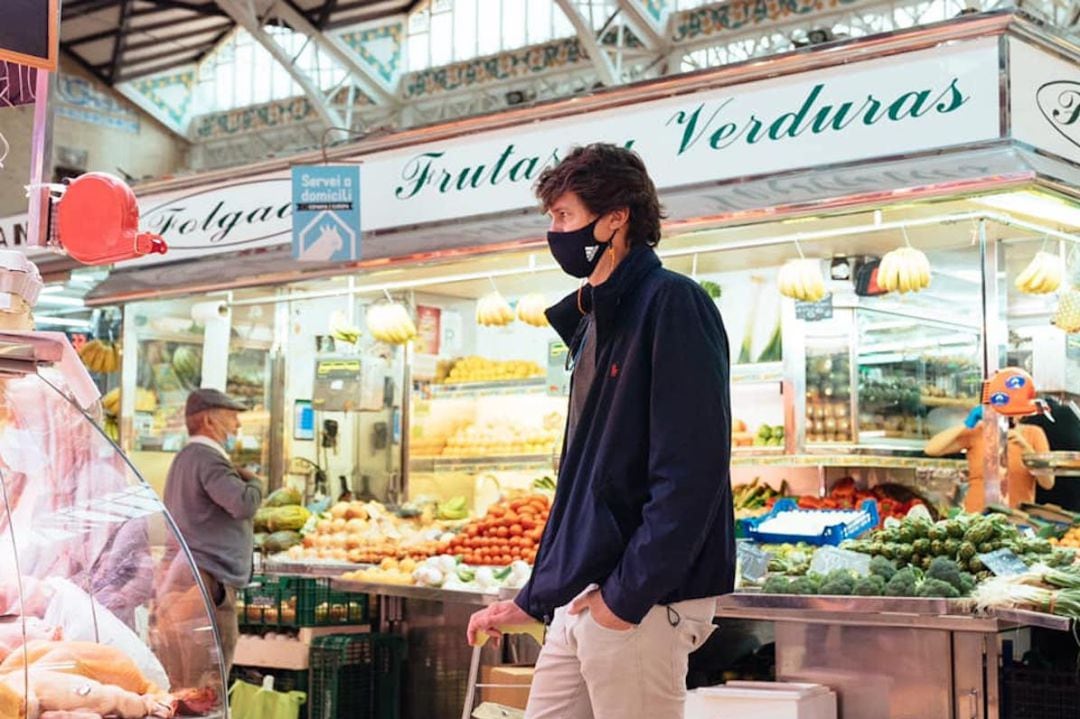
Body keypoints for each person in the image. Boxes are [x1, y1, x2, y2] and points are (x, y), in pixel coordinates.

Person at [466, 144, 735, 719]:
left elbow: (691, 473)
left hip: (638, 602)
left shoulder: (672, 305)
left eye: (564, 216)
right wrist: (537, 598)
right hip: (582, 599)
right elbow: (585, 486)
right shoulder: (594, 321)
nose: (555, 231)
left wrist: (626, 598)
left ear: (617, 217)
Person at [163, 388, 263, 673]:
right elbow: (242, 504)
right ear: (208, 421)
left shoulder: (186, 458)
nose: (238, 425)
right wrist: (255, 483)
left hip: (191, 576)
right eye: (231, 417)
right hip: (207, 580)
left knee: (188, 673)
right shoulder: (207, 458)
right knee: (207, 675)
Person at [925, 405, 1051, 511]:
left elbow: (1048, 483)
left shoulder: (1034, 434)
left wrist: (1027, 450)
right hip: (976, 518)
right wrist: (968, 423)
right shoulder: (978, 431)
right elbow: (931, 449)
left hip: (1017, 519)